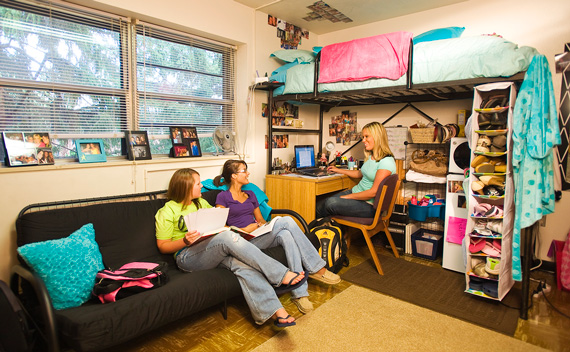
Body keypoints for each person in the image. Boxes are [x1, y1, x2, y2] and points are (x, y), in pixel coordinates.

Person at [155, 168, 305, 327]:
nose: (201, 186)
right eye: (198, 184)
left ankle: (275, 312)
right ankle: (280, 275)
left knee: (243, 265)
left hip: (212, 250)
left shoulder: (202, 203)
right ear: (185, 186)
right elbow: (163, 247)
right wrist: (185, 241)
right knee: (226, 237)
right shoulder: (166, 211)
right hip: (187, 257)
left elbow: (217, 225)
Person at [213, 160, 341, 314]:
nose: (248, 173)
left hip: (259, 235)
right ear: (234, 176)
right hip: (242, 242)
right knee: (286, 221)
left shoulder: (250, 194)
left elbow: (260, 219)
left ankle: (300, 294)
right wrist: (244, 229)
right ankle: (316, 268)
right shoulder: (223, 197)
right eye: (244, 170)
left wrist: (262, 225)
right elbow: (219, 226)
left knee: (286, 234)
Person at [316, 121, 396, 219]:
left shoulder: (386, 162)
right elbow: (359, 173)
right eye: (363, 137)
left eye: (367, 136)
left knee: (330, 202)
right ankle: (318, 230)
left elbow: (373, 192)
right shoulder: (372, 157)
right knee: (320, 204)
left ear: (377, 137)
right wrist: (338, 170)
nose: (363, 140)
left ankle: (326, 229)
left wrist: (347, 198)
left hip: (368, 205)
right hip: (357, 194)